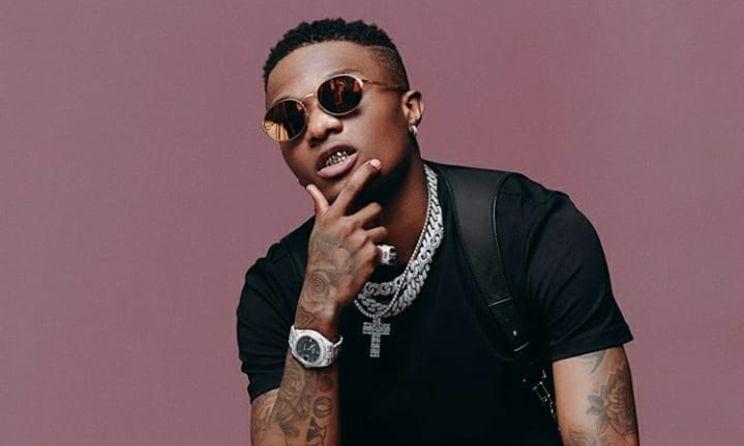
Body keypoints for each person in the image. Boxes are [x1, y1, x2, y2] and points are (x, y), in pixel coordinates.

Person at [236, 18, 639, 446]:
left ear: (410, 108)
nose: (318, 128)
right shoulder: (275, 288)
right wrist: (317, 310)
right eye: (289, 119)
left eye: (340, 95)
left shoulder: (531, 230)